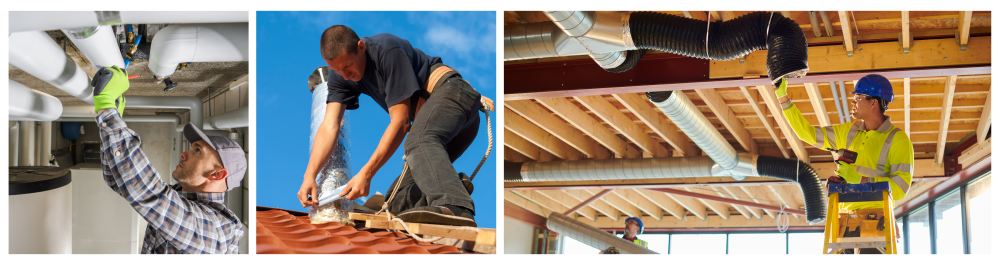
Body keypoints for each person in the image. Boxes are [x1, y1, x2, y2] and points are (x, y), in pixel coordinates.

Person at [297, 25, 494, 227]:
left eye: (348, 66)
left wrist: (366, 174)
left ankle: (456, 206)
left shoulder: (387, 51)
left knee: (417, 142)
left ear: (361, 47)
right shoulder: (340, 75)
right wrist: (309, 176)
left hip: (454, 95)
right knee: (397, 200)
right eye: (337, 70)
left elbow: (400, 122)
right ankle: (453, 186)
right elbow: (330, 125)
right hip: (434, 122)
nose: (345, 75)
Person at [92, 65, 246, 253]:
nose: (184, 154)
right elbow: (118, 180)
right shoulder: (181, 198)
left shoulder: (220, 230)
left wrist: (107, 108)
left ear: (217, 174)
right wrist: (111, 120)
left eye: (197, 151)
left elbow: (149, 194)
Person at [775, 75, 914, 254]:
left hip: (876, 224)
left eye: (858, 98)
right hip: (844, 223)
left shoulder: (898, 140)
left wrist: (860, 180)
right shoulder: (850, 131)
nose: (853, 102)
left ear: (874, 103)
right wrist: (783, 98)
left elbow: (901, 188)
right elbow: (807, 134)